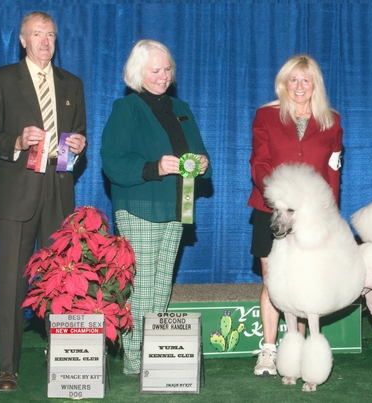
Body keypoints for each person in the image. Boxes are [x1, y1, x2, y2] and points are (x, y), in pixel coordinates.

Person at [0, 11, 87, 391]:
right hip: (17, 192)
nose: (45, 41)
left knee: (63, 280)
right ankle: (9, 366)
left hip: (59, 188)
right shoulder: (2, 79)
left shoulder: (72, 84)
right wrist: (17, 142)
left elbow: (78, 138)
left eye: (51, 35)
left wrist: (79, 145)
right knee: (12, 282)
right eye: (37, 34)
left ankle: (66, 358)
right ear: (23, 39)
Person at [101, 39, 212, 376]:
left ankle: (154, 353)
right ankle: (134, 359)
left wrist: (204, 162)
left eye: (167, 70)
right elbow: (112, 161)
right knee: (144, 285)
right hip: (140, 205)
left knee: (162, 285)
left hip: (177, 205)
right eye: (155, 71)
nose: (163, 76)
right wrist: (154, 167)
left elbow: (197, 150)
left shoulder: (182, 107)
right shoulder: (127, 109)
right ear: (138, 72)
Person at [247, 54, 343, 376]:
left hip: (311, 218)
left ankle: (299, 349)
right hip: (270, 211)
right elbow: (259, 163)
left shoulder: (332, 120)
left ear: (314, 83)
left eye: (305, 79)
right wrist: (276, 194)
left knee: (304, 282)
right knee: (273, 282)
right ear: (283, 83)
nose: (299, 86)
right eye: (293, 80)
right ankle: (269, 351)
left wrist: (330, 214)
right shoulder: (265, 116)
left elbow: (333, 174)